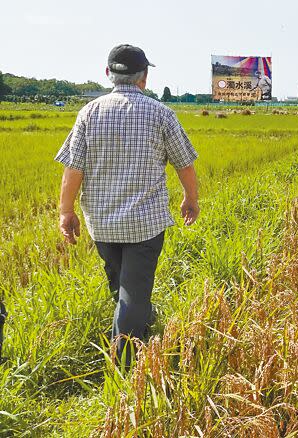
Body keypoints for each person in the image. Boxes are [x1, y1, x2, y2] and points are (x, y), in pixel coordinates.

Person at [55, 44, 200, 365]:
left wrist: (66, 211)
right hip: (145, 225)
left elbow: (73, 168)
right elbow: (184, 164)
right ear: (144, 78)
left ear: (108, 74)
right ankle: (124, 367)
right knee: (134, 290)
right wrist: (191, 198)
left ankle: (135, 324)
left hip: (102, 225)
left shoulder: (89, 113)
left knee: (121, 281)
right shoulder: (161, 114)